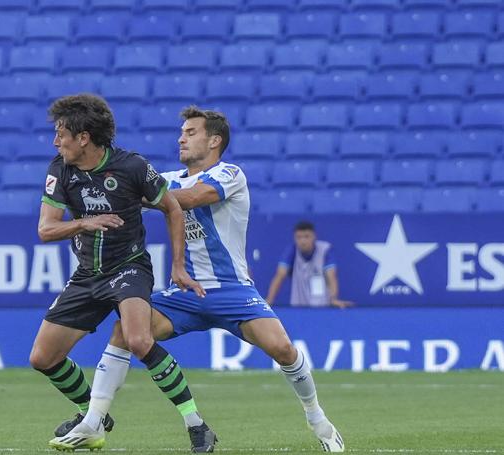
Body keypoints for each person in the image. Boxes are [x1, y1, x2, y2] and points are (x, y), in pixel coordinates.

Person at [59, 106, 345, 452]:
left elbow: (192, 198)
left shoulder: (230, 174)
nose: (181, 137)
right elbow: (144, 190)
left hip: (232, 290)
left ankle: (318, 419)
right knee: (126, 333)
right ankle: (93, 420)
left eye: (190, 132)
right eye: (182, 132)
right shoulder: (169, 179)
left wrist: (132, 195)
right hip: (184, 293)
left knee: (283, 349)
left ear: (214, 140)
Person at [28, 94, 214, 452]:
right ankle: (91, 416)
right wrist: (86, 221)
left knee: (139, 340)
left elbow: (172, 208)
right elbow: (45, 230)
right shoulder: (60, 170)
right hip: (87, 276)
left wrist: (177, 266)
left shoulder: (132, 167)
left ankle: (197, 425)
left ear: (83, 137)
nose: (56, 142)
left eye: (61, 134)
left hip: (128, 268)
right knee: (42, 358)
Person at [265, 221, 353, 308]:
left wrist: (333, 299)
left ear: (314, 236)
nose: (303, 241)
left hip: (323, 307)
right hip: (298, 307)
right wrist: (269, 300)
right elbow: (280, 275)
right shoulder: (291, 251)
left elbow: (331, 276)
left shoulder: (325, 250)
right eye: (298, 237)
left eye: (307, 237)